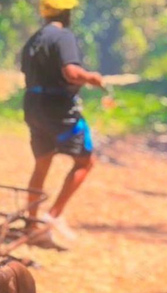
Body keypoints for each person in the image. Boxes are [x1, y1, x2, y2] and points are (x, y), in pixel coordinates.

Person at [22, 0, 105, 245]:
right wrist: (93, 78)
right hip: (59, 109)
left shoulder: (34, 40)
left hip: (33, 106)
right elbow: (71, 72)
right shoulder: (63, 36)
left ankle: (31, 223)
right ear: (67, 10)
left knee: (42, 164)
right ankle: (52, 217)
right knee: (86, 161)